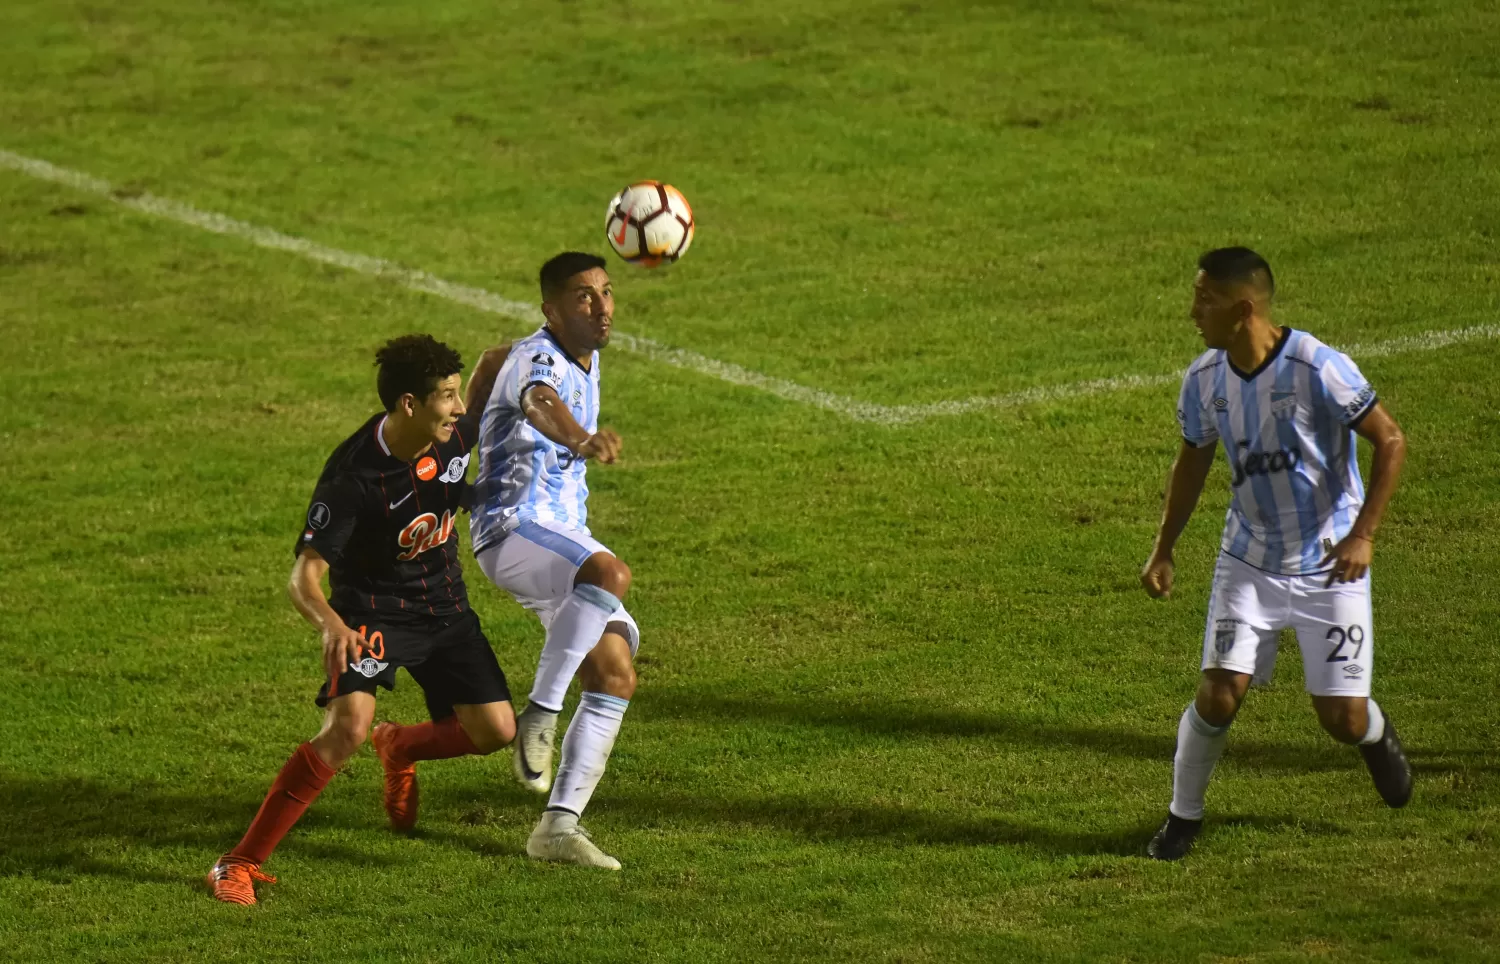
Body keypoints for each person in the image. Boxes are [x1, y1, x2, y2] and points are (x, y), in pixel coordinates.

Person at [207, 334, 514, 904]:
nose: (459, 408)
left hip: (445, 607)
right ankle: (237, 864)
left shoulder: (450, 435)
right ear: (408, 405)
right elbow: (304, 577)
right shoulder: (352, 479)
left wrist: (534, 345)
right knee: (347, 728)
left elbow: (494, 364)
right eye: (446, 396)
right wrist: (331, 625)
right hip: (372, 612)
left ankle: (399, 746)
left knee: (496, 731)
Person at [1141, 247, 1413, 860]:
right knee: (1218, 694)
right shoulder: (1204, 379)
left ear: (1243, 308)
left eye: (1204, 299)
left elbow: (1390, 440)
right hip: (1249, 560)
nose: (1192, 312)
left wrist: (1364, 533)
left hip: (1329, 566)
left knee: (1339, 720)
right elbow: (1193, 461)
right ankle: (1182, 819)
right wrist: (1164, 548)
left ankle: (1372, 732)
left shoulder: (1318, 368)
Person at [469, 251, 638, 870]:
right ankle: (539, 715)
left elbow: (492, 362)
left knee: (615, 672)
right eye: (583, 297)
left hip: (561, 534)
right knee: (609, 573)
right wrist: (580, 439)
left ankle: (558, 827)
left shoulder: (576, 359)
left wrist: (466, 440)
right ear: (551, 309)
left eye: (605, 292)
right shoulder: (543, 358)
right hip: (514, 529)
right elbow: (539, 398)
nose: (601, 307)